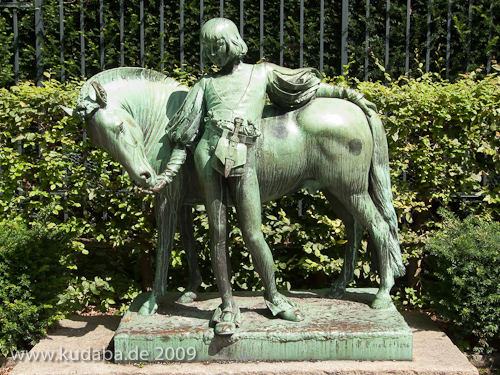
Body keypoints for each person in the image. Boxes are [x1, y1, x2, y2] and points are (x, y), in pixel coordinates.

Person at [164, 17, 376, 335]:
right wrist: (166, 173)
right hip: (208, 156)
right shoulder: (204, 84)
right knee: (217, 235)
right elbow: (184, 134)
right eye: (207, 49)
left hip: (242, 154)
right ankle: (227, 306)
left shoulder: (260, 73)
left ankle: (274, 297)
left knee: (253, 233)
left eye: (216, 46)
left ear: (233, 42)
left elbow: (304, 89)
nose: (211, 54)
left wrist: (348, 94)